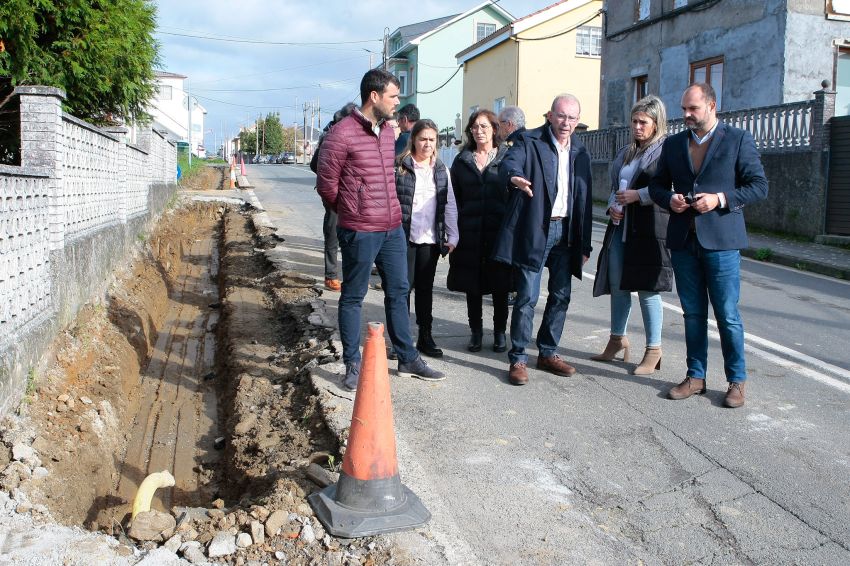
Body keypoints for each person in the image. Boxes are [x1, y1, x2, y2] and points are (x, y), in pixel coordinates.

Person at [316, 69, 445, 390]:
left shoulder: (388, 131)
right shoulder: (341, 134)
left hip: (392, 229)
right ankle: (352, 364)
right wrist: (353, 211)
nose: (398, 103)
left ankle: (407, 357)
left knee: (399, 292)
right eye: (393, 96)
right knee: (353, 296)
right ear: (374, 96)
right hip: (360, 230)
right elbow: (326, 185)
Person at [649, 83, 768, 408]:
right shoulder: (673, 144)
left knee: (727, 315)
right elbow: (657, 185)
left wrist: (720, 199)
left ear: (712, 105)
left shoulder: (737, 139)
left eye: (693, 109)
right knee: (692, 314)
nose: (686, 115)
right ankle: (695, 377)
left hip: (722, 242)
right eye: (684, 109)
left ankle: (736, 382)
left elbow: (759, 186)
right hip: (684, 240)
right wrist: (668, 199)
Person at [493, 94, 594, 386]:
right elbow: (510, 163)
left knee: (561, 295)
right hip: (537, 229)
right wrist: (514, 177)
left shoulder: (580, 152)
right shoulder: (530, 140)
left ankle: (548, 352)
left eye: (572, 118)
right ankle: (519, 358)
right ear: (550, 115)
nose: (566, 123)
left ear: (577, 120)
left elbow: (584, 201)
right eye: (561, 116)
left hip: (568, 232)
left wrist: (585, 243)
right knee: (527, 296)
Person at [591, 95, 672, 375]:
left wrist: (640, 196)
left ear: (656, 123)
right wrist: (613, 207)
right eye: (634, 121)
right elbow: (617, 187)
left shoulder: (665, 152)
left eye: (643, 122)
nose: (637, 127)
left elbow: (668, 192)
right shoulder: (627, 151)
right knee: (618, 286)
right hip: (620, 228)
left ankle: (654, 350)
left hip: (649, 231)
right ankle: (617, 339)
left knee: (649, 290)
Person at [448, 110, 513, 353]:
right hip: (470, 231)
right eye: (475, 127)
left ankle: (499, 333)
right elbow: (453, 198)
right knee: (472, 285)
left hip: (498, 232)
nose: (479, 131)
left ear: (494, 129)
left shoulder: (507, 158)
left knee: (500, 285)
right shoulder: (462, 160)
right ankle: (475, 332)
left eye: (484, 126)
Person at [395, 119, 459, 357]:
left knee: (425, 290)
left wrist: (452, 235)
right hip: (403, 238)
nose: (427, 144)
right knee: (402, 290)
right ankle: (401, 341)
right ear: (413, 140)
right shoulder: (400, 167)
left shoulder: (441, 170)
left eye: (432, 140)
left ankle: (425, 337)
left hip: (430, 240)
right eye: (423, 139)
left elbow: (449, 204)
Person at [311, 102, 357, 292]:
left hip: (354, 193)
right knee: (332, 231)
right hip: (334, 194)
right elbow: (314, 165)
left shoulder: (359, 136)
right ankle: (331, 275)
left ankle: (352, 275)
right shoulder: (329, 136)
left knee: (355, 234)